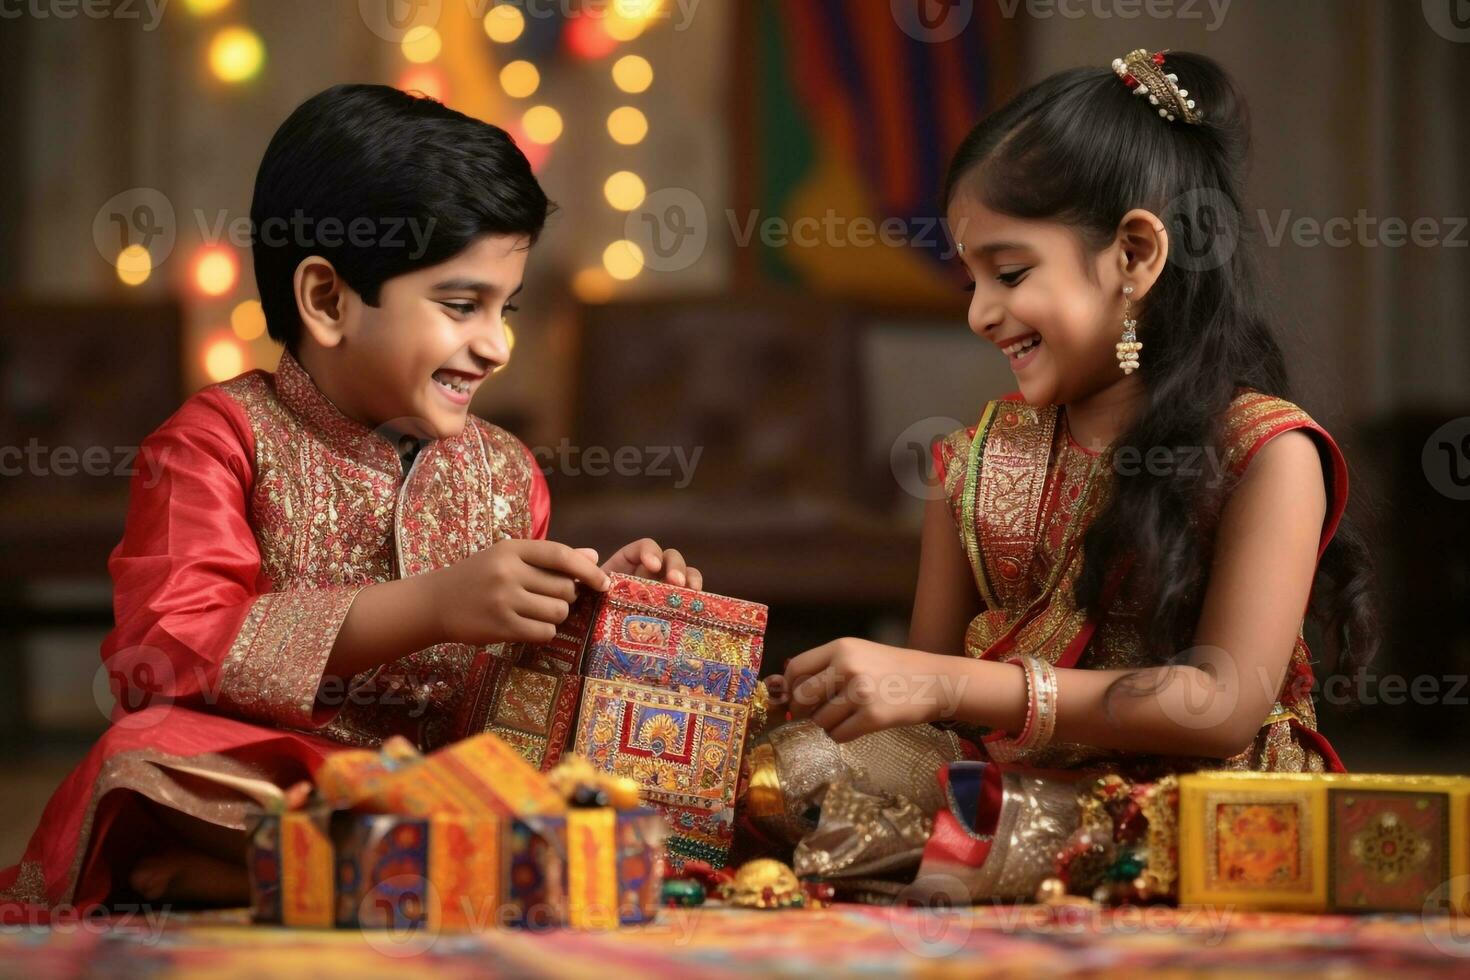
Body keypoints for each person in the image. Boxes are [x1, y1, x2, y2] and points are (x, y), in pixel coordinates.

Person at [0, 84, 701, 914]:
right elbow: (165, 654)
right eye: (461, 304)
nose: (497, 344)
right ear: (328, 300)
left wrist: (594, 615)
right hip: (280, 774)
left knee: (615, 784)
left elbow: (502, 714)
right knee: (143, 755)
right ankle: (384, 868)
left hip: (447, 783)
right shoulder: (217, 443)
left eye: (504, 308)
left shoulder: (509, 472)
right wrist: (431, 606)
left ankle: (305, 876)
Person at [746, 49, 1377, 898]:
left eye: (1009, 274)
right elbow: (931, 698)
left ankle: (967, 857)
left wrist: (943, 681)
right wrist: (848, 693)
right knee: (777, 776)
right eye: (971, 279)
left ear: (1134, 254)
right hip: (1004, 768)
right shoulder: (980, 456)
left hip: (1189, 796)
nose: (979, 313)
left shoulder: (1265, 452)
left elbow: (1222, 703)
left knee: (1001, 831)